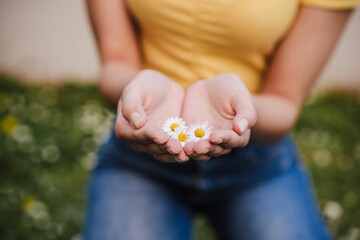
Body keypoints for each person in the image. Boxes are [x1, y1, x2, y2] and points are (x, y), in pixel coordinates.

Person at [84, 0, 359, 239]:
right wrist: (136, 91)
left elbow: (284, 102)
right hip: (142, 154)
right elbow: (115, 63)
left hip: (256, 163)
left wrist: (242, 107)